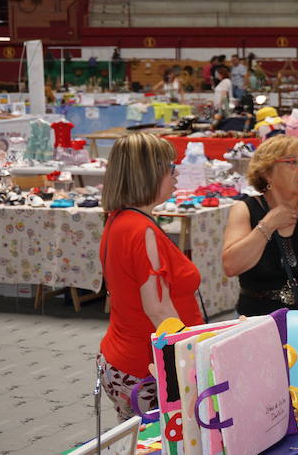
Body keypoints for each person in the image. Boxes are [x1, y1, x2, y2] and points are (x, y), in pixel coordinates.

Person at [96, 133, 203, 422]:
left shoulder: (120, 220)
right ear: (148, 173)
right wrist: (197, 357)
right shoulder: (140, 230)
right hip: (146, 366)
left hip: (129, 358)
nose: (175, 172)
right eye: (170, 166)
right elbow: (159, 311)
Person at [221, 135, 298, 316]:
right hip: (255, 320)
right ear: (267, 173)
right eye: (292, 162)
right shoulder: (245, 210)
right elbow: (231, 266)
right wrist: (267, 225)